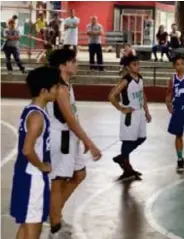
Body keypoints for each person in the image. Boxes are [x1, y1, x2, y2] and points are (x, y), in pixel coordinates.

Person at [47, 49, 102, 238]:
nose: (76, 64)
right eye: (72, 61)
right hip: (61, 138)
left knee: (79, 173)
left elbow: (74, 118)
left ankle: (53, 213)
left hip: (70, 137)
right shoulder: (60, 88)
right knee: (58, 182)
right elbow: (69, 120)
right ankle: (55, 226)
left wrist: (81, 139)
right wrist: (90, 142)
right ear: (63, 66)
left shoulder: (68, 86)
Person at [10, 67, 60, 239]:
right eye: (55, 87)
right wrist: (42, 166)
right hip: (32, 178)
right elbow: (27, 150)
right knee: (33, 230)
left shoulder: (31, 110)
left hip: (26, 175)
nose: (57, 91)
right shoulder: (37, 117)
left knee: (25, 227)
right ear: (44, 91)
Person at [109, 55, 152, 180]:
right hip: (130, 114)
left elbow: (142, 95)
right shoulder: (125, 80)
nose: (137, 66)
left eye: (138, 64)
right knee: (128, 140)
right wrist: (122, 108)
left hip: (140, 113)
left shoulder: (140, 78)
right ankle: (127, 167)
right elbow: (112, 96)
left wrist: (147, 111)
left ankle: (122, 157)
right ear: (128, 67)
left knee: (142, 138)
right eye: (134, 64)